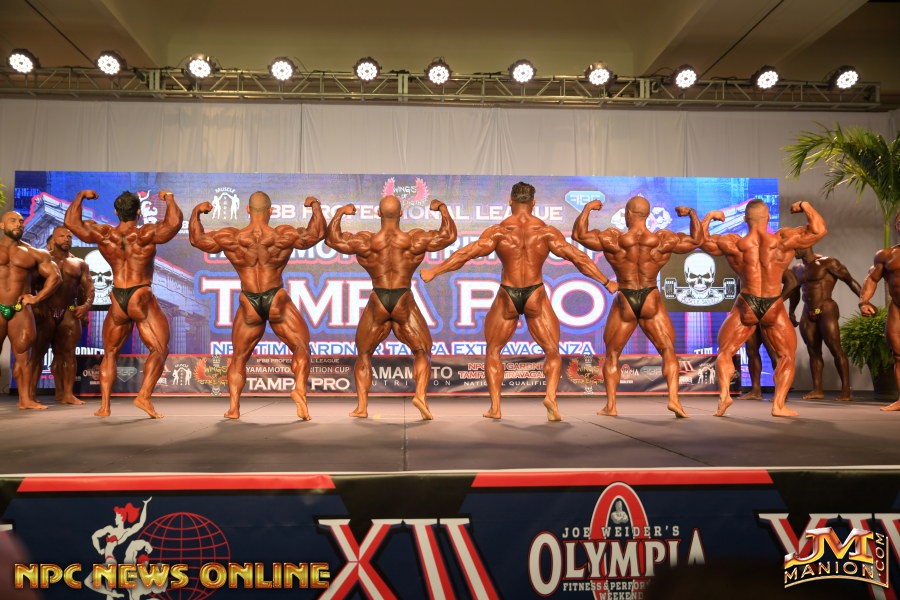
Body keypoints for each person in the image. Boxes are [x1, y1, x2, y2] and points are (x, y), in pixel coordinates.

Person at [420, 182, 616, 421]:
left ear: (510, 201)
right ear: (534, 203)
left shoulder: (499, 231)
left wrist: (435, 270)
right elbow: (578, 258)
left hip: (508, 295)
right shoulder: (546, 232)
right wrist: (605, 281)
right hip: (535, 294)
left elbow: (466, 254)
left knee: (493, 350)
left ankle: (495, 408)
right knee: (552, 350)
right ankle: (551, 397)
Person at [572, 197, 716, 418]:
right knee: (668, 350)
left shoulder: (613, 238)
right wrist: (692, 214)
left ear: (628, 214)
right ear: (647, 215)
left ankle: (611, 406)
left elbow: (579, 235)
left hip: (625, 297)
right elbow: (697, 240)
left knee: (613, 354)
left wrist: (587, 209)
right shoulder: (662, 239)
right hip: (650, 296)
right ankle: (674, 400)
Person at [189, 192, 325, 420]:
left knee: (239, 357)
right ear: (271, 211)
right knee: (301, 347)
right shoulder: (282, 235)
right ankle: (300, 389)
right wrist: (315, 205)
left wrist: (196, 213)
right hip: (276, 298)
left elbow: (197, 239)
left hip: (249, 301)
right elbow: (316, 234)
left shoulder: (232, 237)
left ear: (248, 210)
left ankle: (234, 408)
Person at [326, 197, 456, 419]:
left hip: (378, 298)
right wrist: (442, 208)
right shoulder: (414, 240)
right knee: (422, 350)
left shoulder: (366, 242)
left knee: (364, 352)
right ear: (402, 214)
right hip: (402, 297)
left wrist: (340, 213)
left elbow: (332, 240)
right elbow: (449, 236)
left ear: (378, 213)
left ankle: (362, 407)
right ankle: (420, 396)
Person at [701, 199, 826, 417]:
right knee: (786, 356)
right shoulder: (783, 240)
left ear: (744, 219)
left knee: (725, 352)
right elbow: (819, 230)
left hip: (747, 302)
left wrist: (710, 216)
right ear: (768, 217)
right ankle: (778, 405)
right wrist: (805, 206)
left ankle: (724, 395)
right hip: (772, 303)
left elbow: (701, 241)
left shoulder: (735, 243)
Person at [64, 189, 182, 418]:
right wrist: (168, 198)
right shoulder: (145, 234)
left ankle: (104, 407)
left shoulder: (105, 234)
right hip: (140, 295)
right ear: (138, 212)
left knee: (110, 352)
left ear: (116, 212)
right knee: (159, 349)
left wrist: (80, 197)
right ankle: (143, 396)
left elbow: (71, 222)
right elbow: (174, 224)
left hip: (118, 296)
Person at [0, 211, 61, 410]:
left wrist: (37, 297)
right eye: (12, 221)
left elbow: (55, 277)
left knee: (24, 354)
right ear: (2, 225)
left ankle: (25, 399)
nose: (18, 224)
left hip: (20, 308)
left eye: (20, 221)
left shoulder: (33, 253)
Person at [30, 226, 95, 405]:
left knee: (67, 354)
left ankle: (66, 394)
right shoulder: (42, 259)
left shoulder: (79, 263)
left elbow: (89, 287)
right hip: (45, 310)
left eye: (69, 236)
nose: (67, 239)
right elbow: (29, 284)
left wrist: (86, 306)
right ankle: (29, 395)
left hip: (68, 310)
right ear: (53, 238)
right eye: (62, 236)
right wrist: (33, 305)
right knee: (37, 354)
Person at [788, 246, 861, 400]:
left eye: (796, 248)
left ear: (806, 245)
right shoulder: (797, 269)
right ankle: (817, 390)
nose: (793, 251)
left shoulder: (828, 262)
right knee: (813, 351)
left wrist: (864, 302)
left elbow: (850, 281)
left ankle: (846, 390)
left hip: (826, 307)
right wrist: (791, 311)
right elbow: (794, 292)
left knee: (836, 349)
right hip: (808, 311)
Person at [859, 214, 900, 411]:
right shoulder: (886, 255)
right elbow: (872, 279)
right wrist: (864, 302)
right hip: (897, 307)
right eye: (899, 222)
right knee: (898, 354)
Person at [738, 269, 798, 401]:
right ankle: (755, 390)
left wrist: (777, 302)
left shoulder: (773, 263)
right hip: (752, 313)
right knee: (751, 351)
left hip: (769, 313)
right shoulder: (747, 265)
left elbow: (793, 283)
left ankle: (781, 393)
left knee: (774, 353)